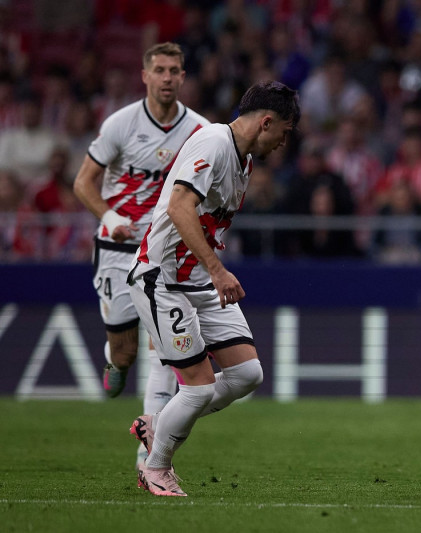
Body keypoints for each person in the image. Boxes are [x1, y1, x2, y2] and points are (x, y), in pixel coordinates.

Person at [127, 80, 300, 496]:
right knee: (200, 386)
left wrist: (210, 273)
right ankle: (155, 467)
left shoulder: (244, 162)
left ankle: (161, 421)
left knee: (246, 374)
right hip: (162, 279)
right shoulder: (214, 144)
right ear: (266, 122)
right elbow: (178, 207)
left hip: (197, 282)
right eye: (285, 131)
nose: (283, 142)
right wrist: (218, 270)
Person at [72, 42, 210, 471]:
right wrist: (109, 215)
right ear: (146, 76)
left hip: (162, 248)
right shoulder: (121, 124)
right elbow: (83, 183)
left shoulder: (200, 130)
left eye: (175, 70)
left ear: (183, 77)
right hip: (116, 246)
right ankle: (115, 361)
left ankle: (147, 446)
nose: (168, 77)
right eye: (161, 70)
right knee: (127, 350)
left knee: (164, 349)